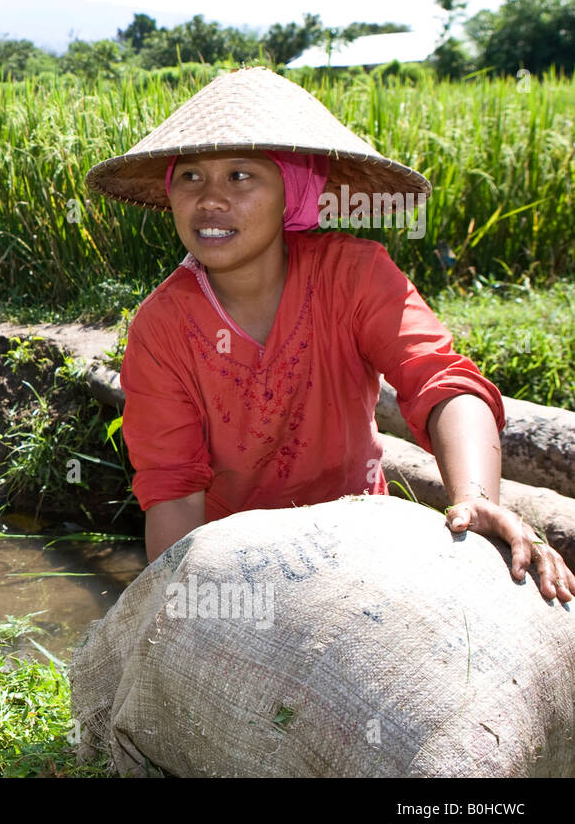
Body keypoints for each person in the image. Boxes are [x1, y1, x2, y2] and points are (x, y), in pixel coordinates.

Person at [87, 67, 574, 602]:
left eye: (241, 176)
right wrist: (192, 600)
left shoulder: (354, 275)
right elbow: (173, 488)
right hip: (232, 555)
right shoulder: (162, 327)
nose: (210, 199)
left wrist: (475, 496)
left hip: (358, 535)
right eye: (191, 177)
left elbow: (442, 381)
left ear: (290, 190)